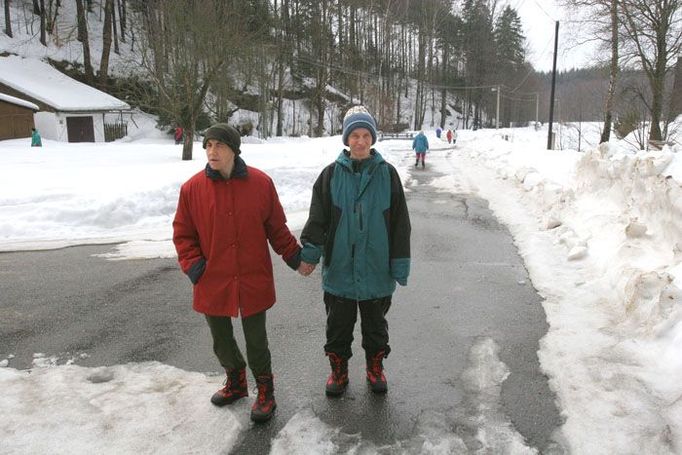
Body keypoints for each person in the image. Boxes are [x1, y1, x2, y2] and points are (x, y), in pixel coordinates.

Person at [172, 123, 306, 423]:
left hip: (252, 276)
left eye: (218, 145)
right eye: (207, 145)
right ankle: (236, 381)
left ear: (234, 149)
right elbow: (183, 235)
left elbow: (277, 228)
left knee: (256, 340)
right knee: (220, 339)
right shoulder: (192, 189)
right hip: (212, 278)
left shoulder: (260, 184)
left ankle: (265, 390)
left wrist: (296, 258)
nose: (211, 151)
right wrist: (195, 266)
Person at [299, 106, 411, 397]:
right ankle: (339, 370)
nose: (360, 141)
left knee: (376, 328)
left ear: (372, 139)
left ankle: (375, 368)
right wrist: (310, 255)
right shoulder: (330, 175)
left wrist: (399, 264)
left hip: (376, 270)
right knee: (337, 328)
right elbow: (317, 219)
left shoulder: (388, 175)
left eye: (365, 135)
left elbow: (400, 224)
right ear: (346, 139)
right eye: (354, 135)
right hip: (340, 271)